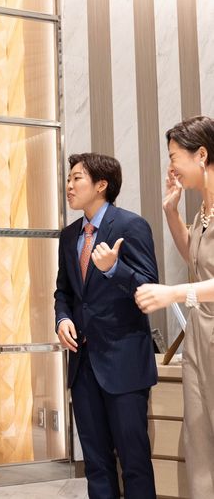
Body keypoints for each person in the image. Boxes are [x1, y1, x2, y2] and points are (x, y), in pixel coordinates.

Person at [54, 153, 158, 499]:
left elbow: (149, 287)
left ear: (101, 185)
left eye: (77, 178)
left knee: (134, 461)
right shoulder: (69, 236)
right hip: (83, 364)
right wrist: (62, 318)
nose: (69, 186)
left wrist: (114, 268)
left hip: (124, 362)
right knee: (96, 464)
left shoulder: (131, 226)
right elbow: (64, 292)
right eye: (69, 179)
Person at [135, 116, 214, 498]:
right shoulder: (203, 211)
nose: (171, 166)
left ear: (201, 155)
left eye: (174, 156)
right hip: (200, 336)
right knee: (198, 439)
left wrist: (173, 294)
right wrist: (171, 211)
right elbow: (194, 258)